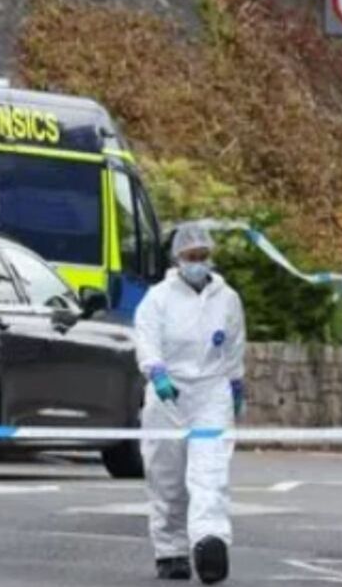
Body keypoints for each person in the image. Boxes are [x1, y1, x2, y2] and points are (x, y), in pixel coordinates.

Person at [134, 222, 246, 584]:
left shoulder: (226, 299)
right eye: (190, 257)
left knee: (209, 472)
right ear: (177, 258)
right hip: (169, 393)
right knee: (167, 477)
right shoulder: (158, 298)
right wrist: (156, 373)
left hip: (211, 392)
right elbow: (147, 339)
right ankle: (170, 551)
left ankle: (209, 541)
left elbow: (234, 345)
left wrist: (236, 384)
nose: (198, 263)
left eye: (203, 256)